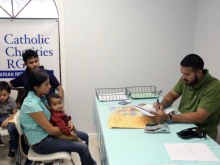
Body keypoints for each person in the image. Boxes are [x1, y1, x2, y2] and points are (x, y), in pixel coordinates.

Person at [20, 69, 96, 165]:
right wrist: (66, 128)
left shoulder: (40, 96)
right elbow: (51, 130)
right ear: (36, 87)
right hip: (41, 143)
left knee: (84, 136)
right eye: (46, 84)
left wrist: (68, 121)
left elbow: (56, 114)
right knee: (82, 147)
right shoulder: (31, 105)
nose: (50, 86)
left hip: (49, 134)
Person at [152, 54, 220, 140]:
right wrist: (162, 104)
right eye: (182, 73)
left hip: (200, 134)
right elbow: (172, 95)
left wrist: (168, 118)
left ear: (199, 72)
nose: (183, 77)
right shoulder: (186, 80)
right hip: (181, 125)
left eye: (187, 74)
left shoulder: (214, 87)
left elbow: (200, 117)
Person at [0, 81, 18, 159]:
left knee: (12, 128)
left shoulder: (12, 101)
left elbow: (15, 114)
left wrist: (7, 120)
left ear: (9, 93)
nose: (2, 97)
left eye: (4, 95)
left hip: (9, 116)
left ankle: (13, 148)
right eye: (0, 95)